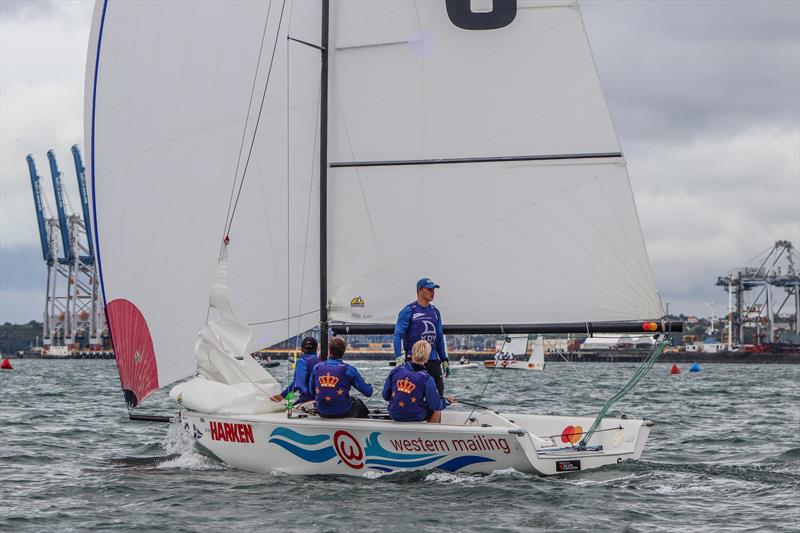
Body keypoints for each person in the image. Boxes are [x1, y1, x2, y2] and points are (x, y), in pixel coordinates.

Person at [393, 277, 450, 396]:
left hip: (433, 359)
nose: (433, 292)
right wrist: (398, 358)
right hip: (414, 360)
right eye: (429, 289)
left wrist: (444, 360)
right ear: (419, 290)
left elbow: (439, 337)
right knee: (413, 395)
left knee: (438, 394)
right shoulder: (408, 311)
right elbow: (397, 335)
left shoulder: (435, 311)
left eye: (434, 290)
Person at [383, 340, 454, 423]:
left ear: (412, 353)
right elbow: (435, 405)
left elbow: (385, 396)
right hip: (415, 415)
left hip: (393, 414)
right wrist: (447, 401)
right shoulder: (427, 378)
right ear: (427, 358)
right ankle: (429, 435)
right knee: (436, 410)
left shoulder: (396, 370)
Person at [311, 336, 373, 418]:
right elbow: (368, 392)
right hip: (343, 412)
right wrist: (369, 385)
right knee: (357, 402)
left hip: (321, 411)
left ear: (329, 350)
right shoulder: (348, 369)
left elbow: (311, 390)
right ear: (344, 351)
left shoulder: (317, 367)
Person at [271, 336, 319, 404]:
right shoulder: (323, 361)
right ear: (317, 348)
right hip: (322, 402)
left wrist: (282, 396)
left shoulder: (301, 362)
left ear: (302, 349)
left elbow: (297, 383)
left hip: (306, 401)